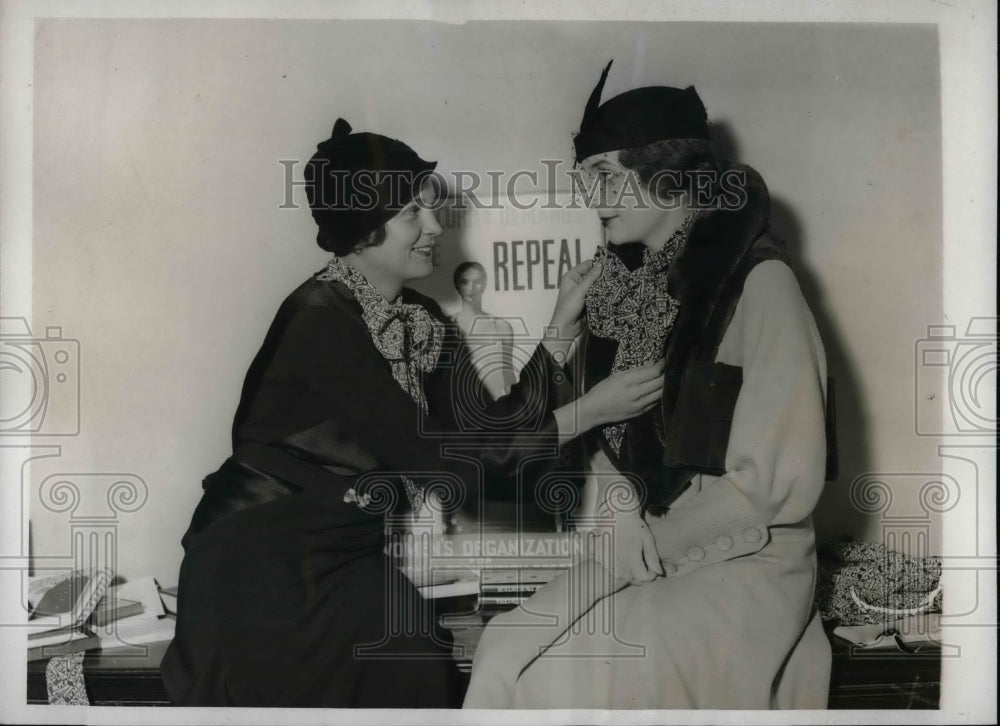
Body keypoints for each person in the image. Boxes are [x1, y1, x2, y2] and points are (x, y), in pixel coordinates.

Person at [159, 117, 665, 708]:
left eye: (432, 210)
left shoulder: (417, 315)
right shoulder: (320, 321)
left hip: (345, 554)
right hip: (260, 564)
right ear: (364, 226)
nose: (434, 229)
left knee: (417, 658)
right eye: (412, 215)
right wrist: (588, 412)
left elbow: (486, 431)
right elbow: (447, 467)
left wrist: (558, 329)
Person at [464, 61, 833, 709]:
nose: (590, 198)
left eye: (603, 177)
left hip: (746, 556)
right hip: (636, 541)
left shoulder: (762, 286)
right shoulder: (619, 291)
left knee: (573, 676)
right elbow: (588, 439)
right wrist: (613, 502)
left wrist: (636, 544)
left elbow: (775, 486)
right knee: (502, 649)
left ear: (668, 179)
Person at [450, 261, 515, 401]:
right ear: (457, 285)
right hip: (460, 407)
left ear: (484, 284)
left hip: (495, 408)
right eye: (464, 282)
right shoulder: (446, 326)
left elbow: (508, 374)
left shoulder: (501, 327)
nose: (471, 288)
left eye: (477, 282)